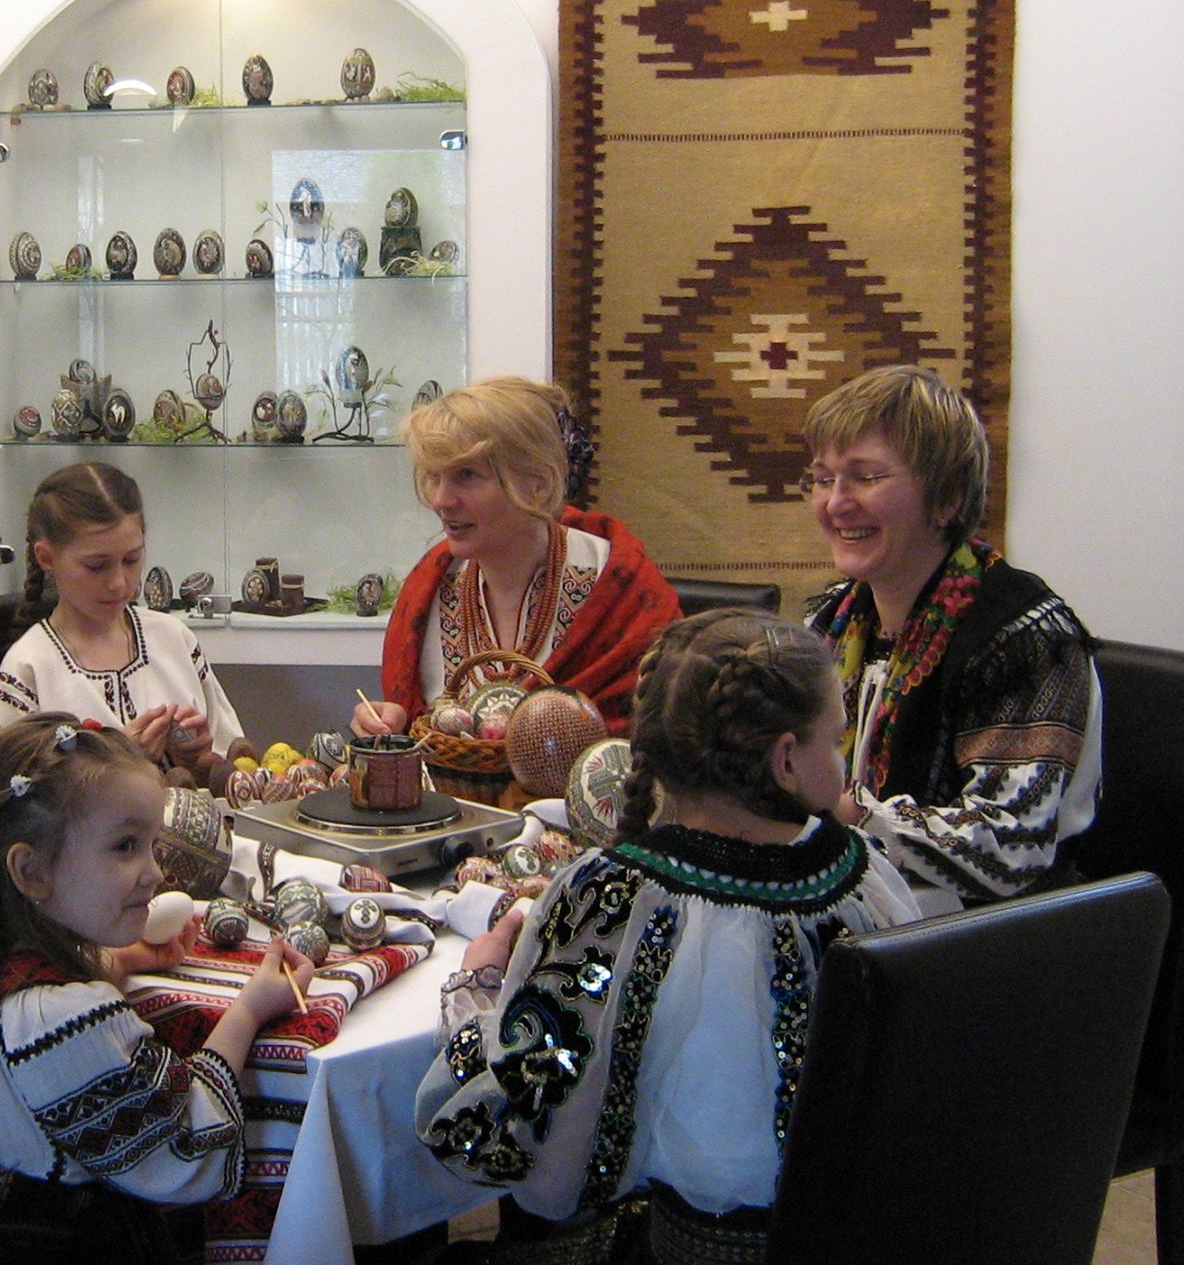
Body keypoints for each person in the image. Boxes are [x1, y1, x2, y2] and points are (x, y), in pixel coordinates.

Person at [414, 609, 920, 1262]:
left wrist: (476, 986)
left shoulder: (609, 897)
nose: (843, 762)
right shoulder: (863, 876)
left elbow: (505, 1127)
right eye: (837, 740)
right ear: (787, 759)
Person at [0, 714, 312, 1264]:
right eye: (125, 846)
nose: (155, 874)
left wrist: (120, 960)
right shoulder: (64, 1021)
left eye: (152, 845)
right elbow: (190, 1149)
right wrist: (249, 1011)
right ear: (32, 872)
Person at [800, 364, 1100, 910]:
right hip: (870, 907)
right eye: (823, 479)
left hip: (998, 937)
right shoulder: (832, 620)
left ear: (948, 498)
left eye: (865, 477)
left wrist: (847, 812)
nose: (835, 503)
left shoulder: (1026, 638)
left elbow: (1011, 845)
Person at [353, 377, 682, 739]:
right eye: (434, 476)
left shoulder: (622, 589)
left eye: (467, 475)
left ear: (539, 484)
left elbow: (663, 739)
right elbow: (416, 728)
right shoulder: (428, 587)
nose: (441, 500)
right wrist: (393, 724)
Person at [0, 461, 245, 770]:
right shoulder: (30, 668)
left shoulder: (173, 639)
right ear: (47, 558)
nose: (119, 583)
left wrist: (200, 760)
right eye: (96, 566)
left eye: (131, 560)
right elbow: (11, 793)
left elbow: (237, 761)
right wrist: (118, 764)